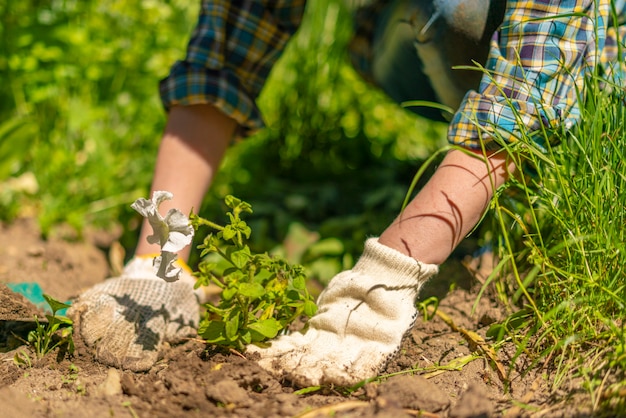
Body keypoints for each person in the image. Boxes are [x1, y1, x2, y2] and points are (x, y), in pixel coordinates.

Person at [67, 0, 625, 387]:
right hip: (418, 32)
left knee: (465, 11)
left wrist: (386, 279)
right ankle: (480, 192)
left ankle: (525, 197)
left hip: (595, 60)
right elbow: (229, 47)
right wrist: (159, 261)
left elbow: (528, 87)